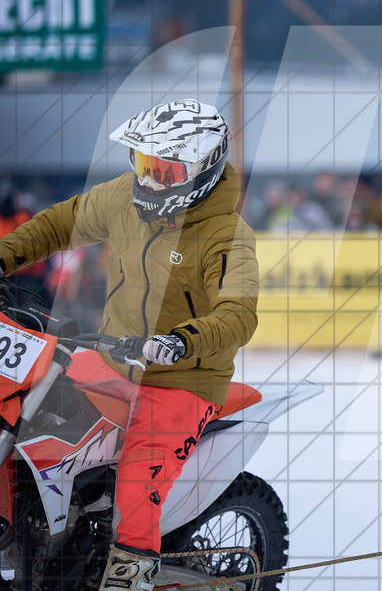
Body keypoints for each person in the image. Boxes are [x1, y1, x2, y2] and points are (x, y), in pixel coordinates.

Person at [0, 98, 259, 590]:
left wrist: (181, 343)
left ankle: (129, 574)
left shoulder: (228, 237)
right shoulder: (123, 198)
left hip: (183, 377)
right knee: (24, 413)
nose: (151, 180)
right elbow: (59, 224)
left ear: (203, 169)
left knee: (138, 483)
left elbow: (237, 314)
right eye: (145, 164)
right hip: (114, 358)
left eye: (166, 169)